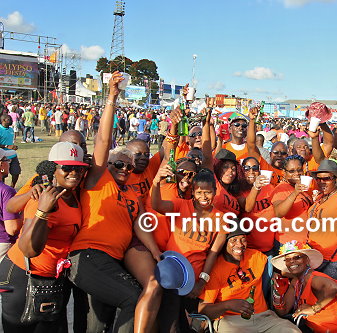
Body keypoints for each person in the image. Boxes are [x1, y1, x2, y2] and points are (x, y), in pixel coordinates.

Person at [68, 72, 145, 333]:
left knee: (100, 323)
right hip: (89, 256)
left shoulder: (133, 195)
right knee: (133, 299)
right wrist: (112, 96)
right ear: (108, 165)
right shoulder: (99, 180)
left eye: (130, 166)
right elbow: (103, 140)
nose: (125, 168)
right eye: (119, 164)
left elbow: (142, 227)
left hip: (115, 261)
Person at [0, 141, 88, 332]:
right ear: (52, 169)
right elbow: (29, 249)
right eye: (67, 167)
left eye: (79, 169)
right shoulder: (44, 196)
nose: (74, 173)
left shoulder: (73, 192)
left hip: (51, 278)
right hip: (23, 276)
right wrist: (42, 212)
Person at [151, 168, 227, 332]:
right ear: (192, 192)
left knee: (181, 323)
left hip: (192, 280)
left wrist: (201, 283)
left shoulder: (221, 219)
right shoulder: (180, 205)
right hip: (171, 272)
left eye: (208, 192)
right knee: (172, 323)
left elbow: (213, 253)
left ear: (215, 191)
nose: (203, 197)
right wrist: (156, 182)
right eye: (199, 192)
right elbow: (156, 205)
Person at [198, 229, 301, 333]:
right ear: (224, 243)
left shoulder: (254, 256)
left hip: (264, 317)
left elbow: (280, 268)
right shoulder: (215, 269)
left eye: (243, 240)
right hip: (231, 321)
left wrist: (280, 273)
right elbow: (203, 310)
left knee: (291, 331)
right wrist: (227, 305)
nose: (240, 244)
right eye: (233, 240)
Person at [270, 240, 337, 332]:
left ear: (307, 260)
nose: (292, 262)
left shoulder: (313, 278)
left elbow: (334, 287)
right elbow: (283, 311)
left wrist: (314, 308)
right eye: (288, 259)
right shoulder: (296, 281)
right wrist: (277, 294)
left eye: (297, 257)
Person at [307, 160, 337, 283]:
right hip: (317, 256)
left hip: (334, 260)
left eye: (326, 178)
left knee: (326, 295)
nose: (322, 182)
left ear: (336, 179)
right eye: (318, 178)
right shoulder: (321, 197)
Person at [272, 155, 313, 247]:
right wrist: (295, 193)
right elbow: (278, 212)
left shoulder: (301, 187)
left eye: (299, 170)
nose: (297, 173)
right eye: (291, 171)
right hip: (288, 244)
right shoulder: (281, 189)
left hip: (303, 242)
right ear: (284, 172)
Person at [239, 156, 276, 254]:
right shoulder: (239, 191)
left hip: (270, 249)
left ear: (259, 171)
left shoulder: (269, 188)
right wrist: (256, 187)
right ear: (241, 171)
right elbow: (247, 207)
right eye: (246, 168)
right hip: (249, 250)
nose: (251, 171)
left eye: (255, 168)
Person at [0, 149, 21, 260]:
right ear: (1, 165)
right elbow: (12, 228)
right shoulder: (7, 191)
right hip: (3, 244)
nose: (9, 163)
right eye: (7, 160)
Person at [0, 115, 21, 188]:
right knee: (2, 175)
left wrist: (13, 146)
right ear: (3, 120)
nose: (11, 120)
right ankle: (3, 189)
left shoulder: (11, 129)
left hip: (12, 154)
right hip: (2, 155)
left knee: (16, 172)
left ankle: (12, 187)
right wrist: (7, 146)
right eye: (9, 119)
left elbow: (11, 141)